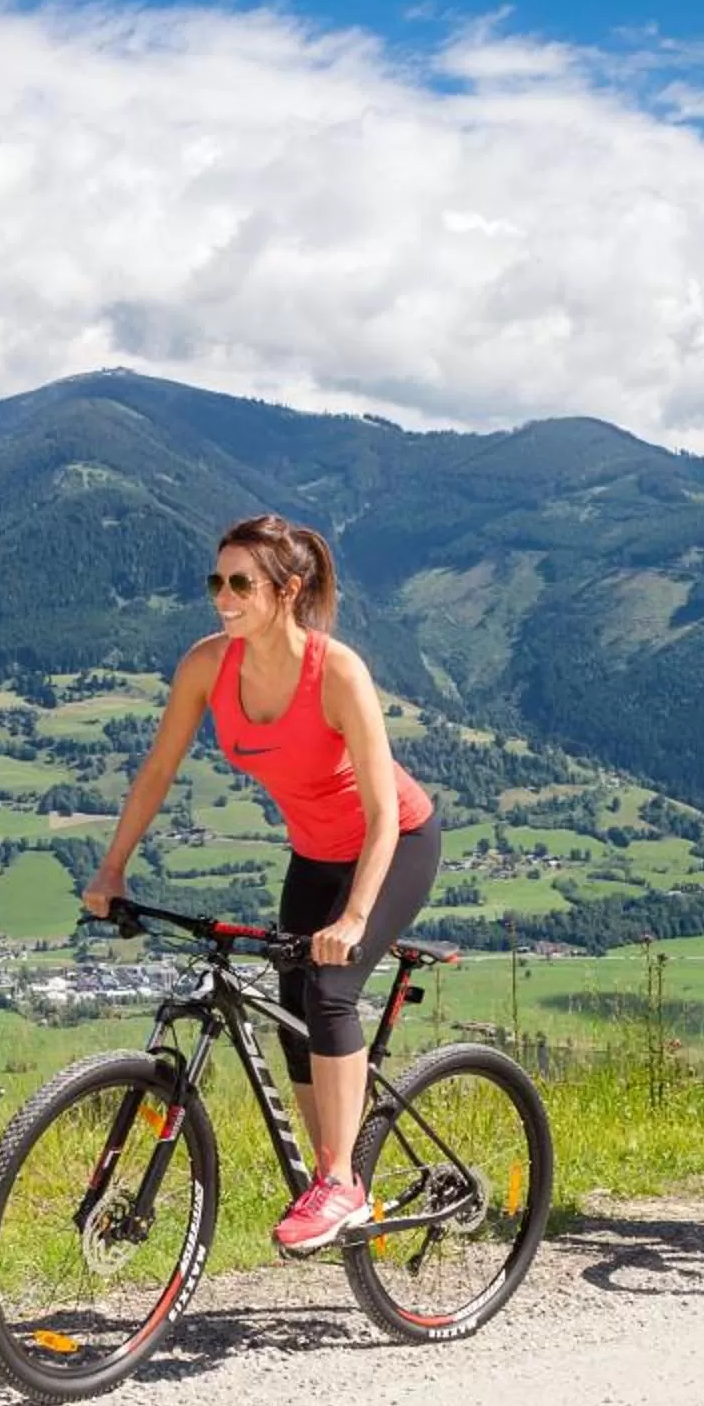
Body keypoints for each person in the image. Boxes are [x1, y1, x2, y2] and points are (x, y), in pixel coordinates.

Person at [83, 513, 442, 1253]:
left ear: (288, 590)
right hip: (313, 856)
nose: (223, 596)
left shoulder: (336, 671)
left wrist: (355, 917)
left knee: (330, 990)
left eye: (241, 583)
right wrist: (113, 865)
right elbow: (158, 770)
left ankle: (340, 1183)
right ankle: (332, 1176)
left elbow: (382, 814)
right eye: (216, 581)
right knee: (291, 1010)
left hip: (395, 845)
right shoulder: (207, 666)